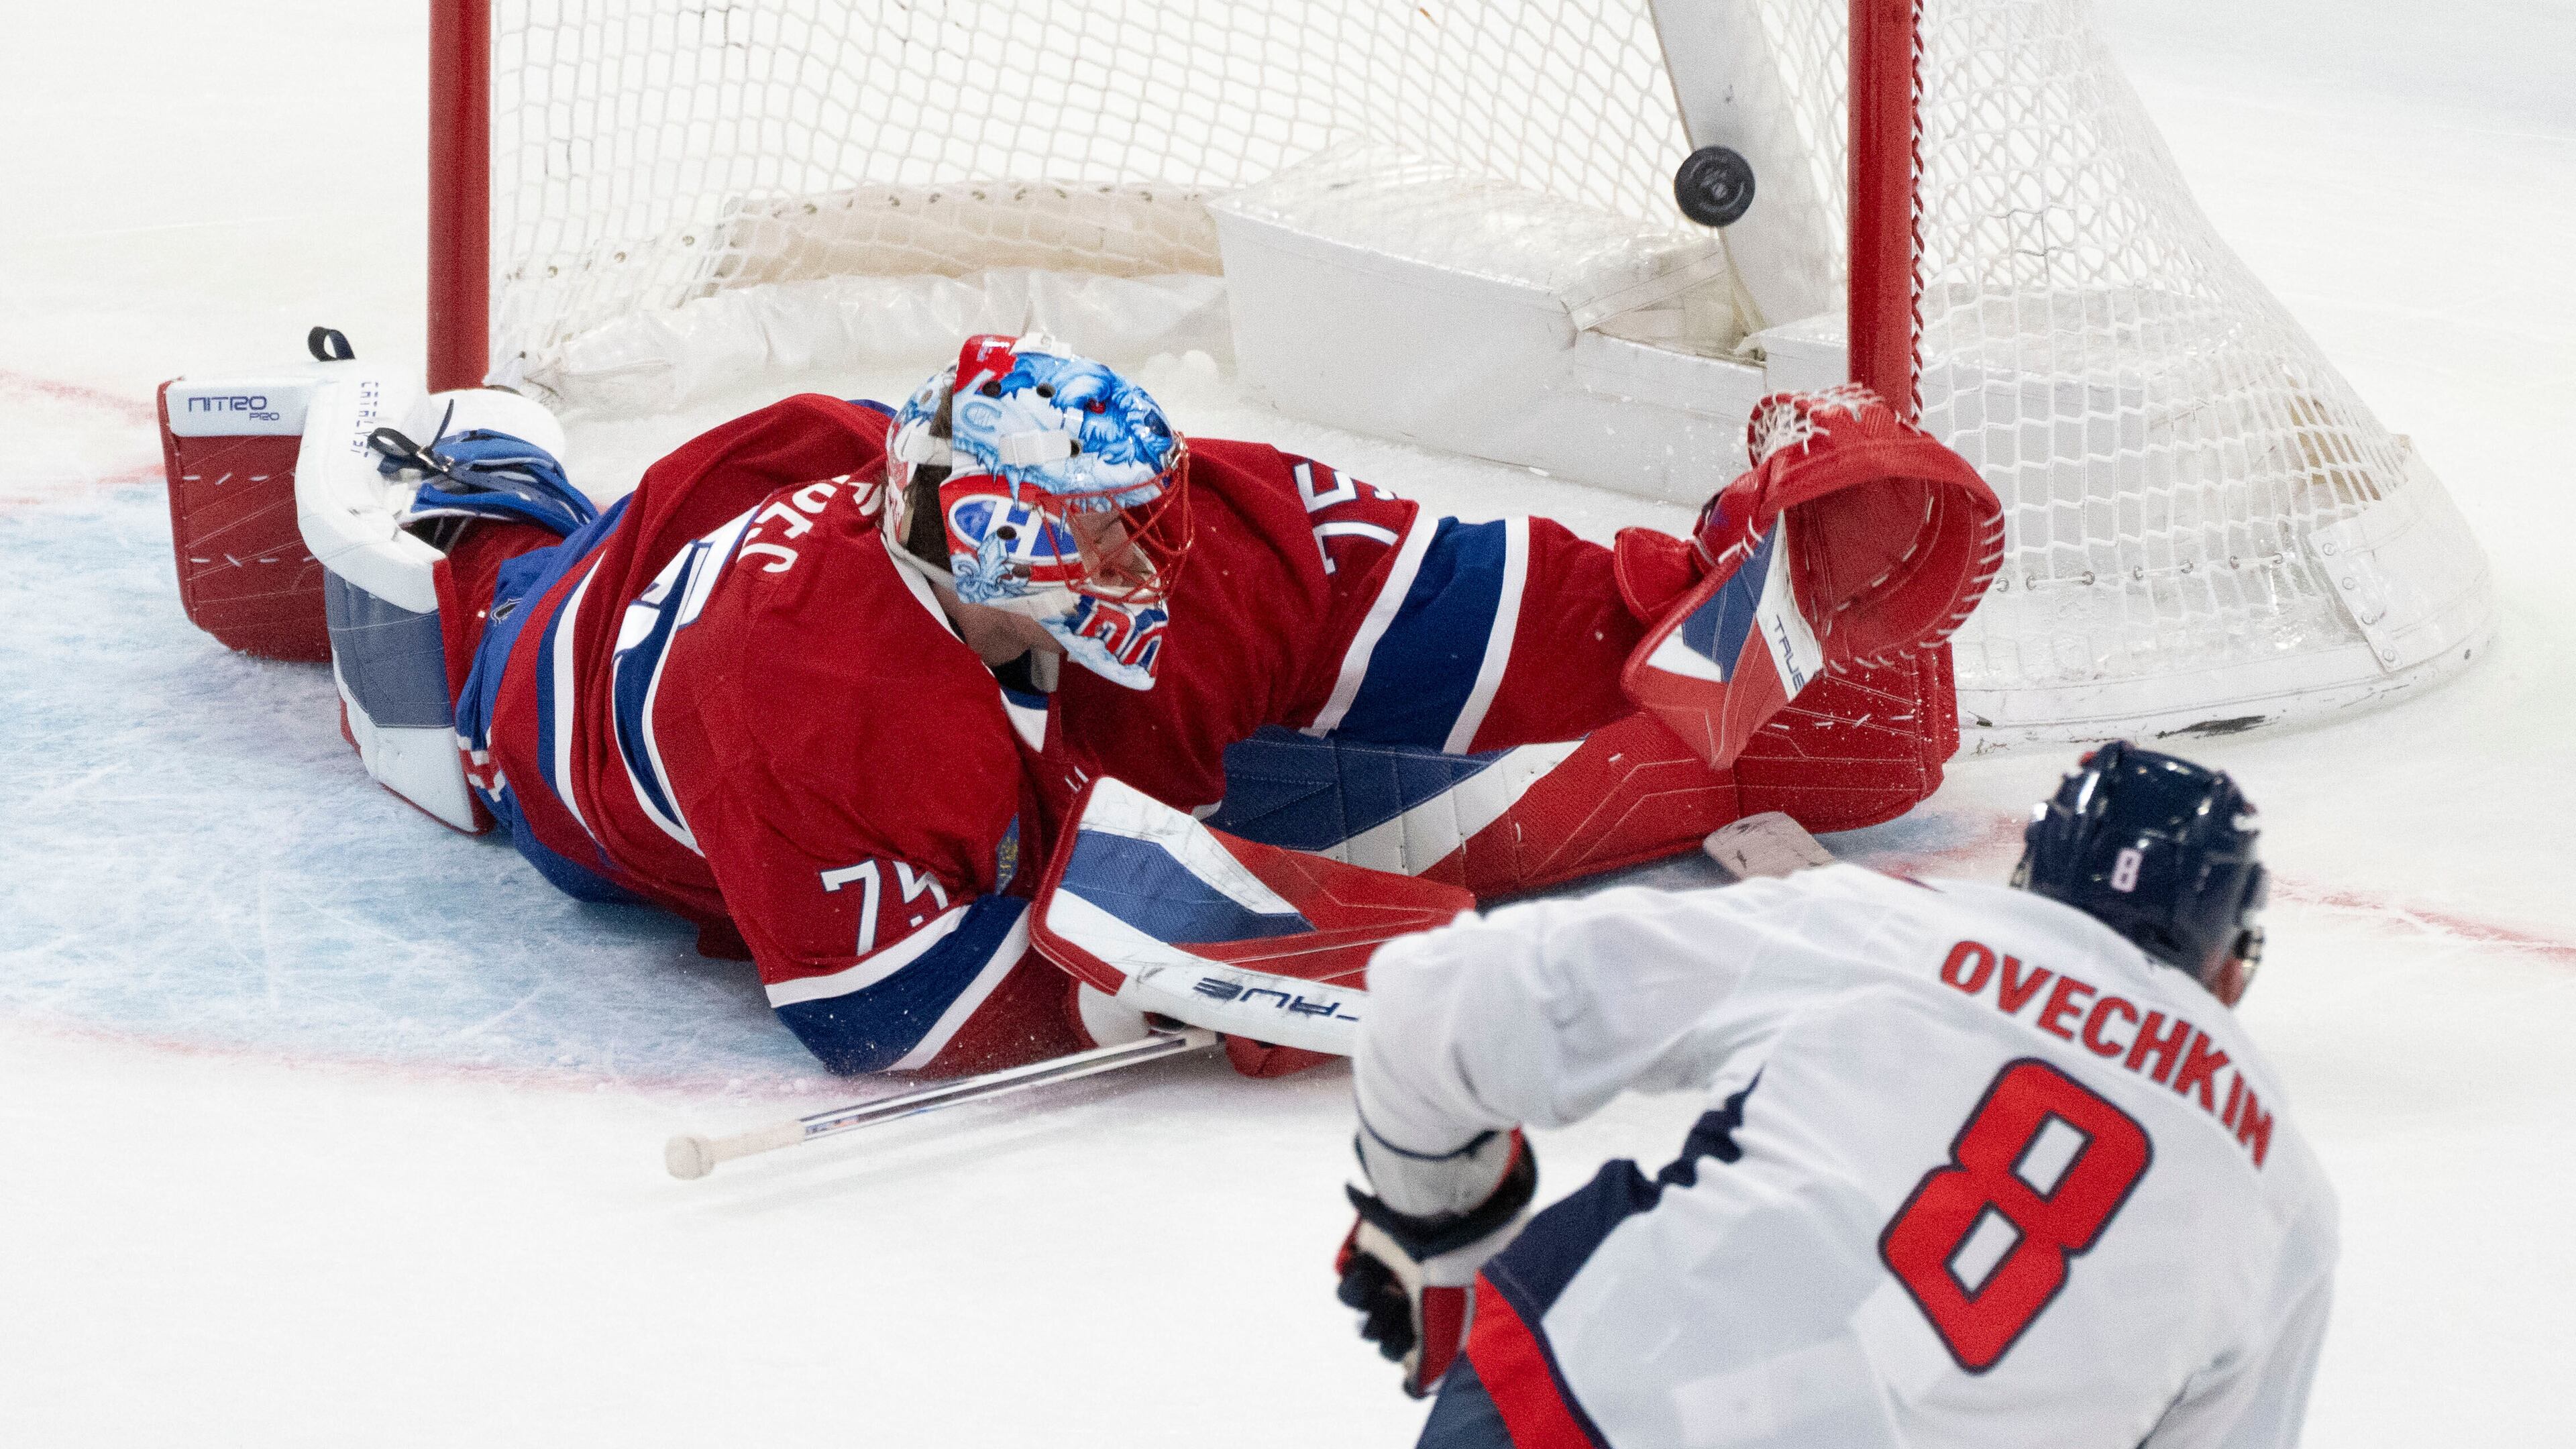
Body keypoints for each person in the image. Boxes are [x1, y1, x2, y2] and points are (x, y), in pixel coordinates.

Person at [320, 335, 1994, 1079]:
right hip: (574, 703)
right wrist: (1215, 975)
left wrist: (1692, 586)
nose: (1161, 544)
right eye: (1113, 524)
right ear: (993, 526)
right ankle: (483, 492)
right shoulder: (806, 714)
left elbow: (1422, 590)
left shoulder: (1168, 534)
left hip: (797, 483)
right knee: (512, 601)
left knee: (1225, 649)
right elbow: (888, 1017)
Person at [1334, 743, 2335, 1448]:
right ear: (2231, 969)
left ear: (2033, 876)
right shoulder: (2284, 1193)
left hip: (1593, 1408)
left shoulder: (1891, 930)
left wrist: (1444, 1231)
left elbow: (1440, 1000)